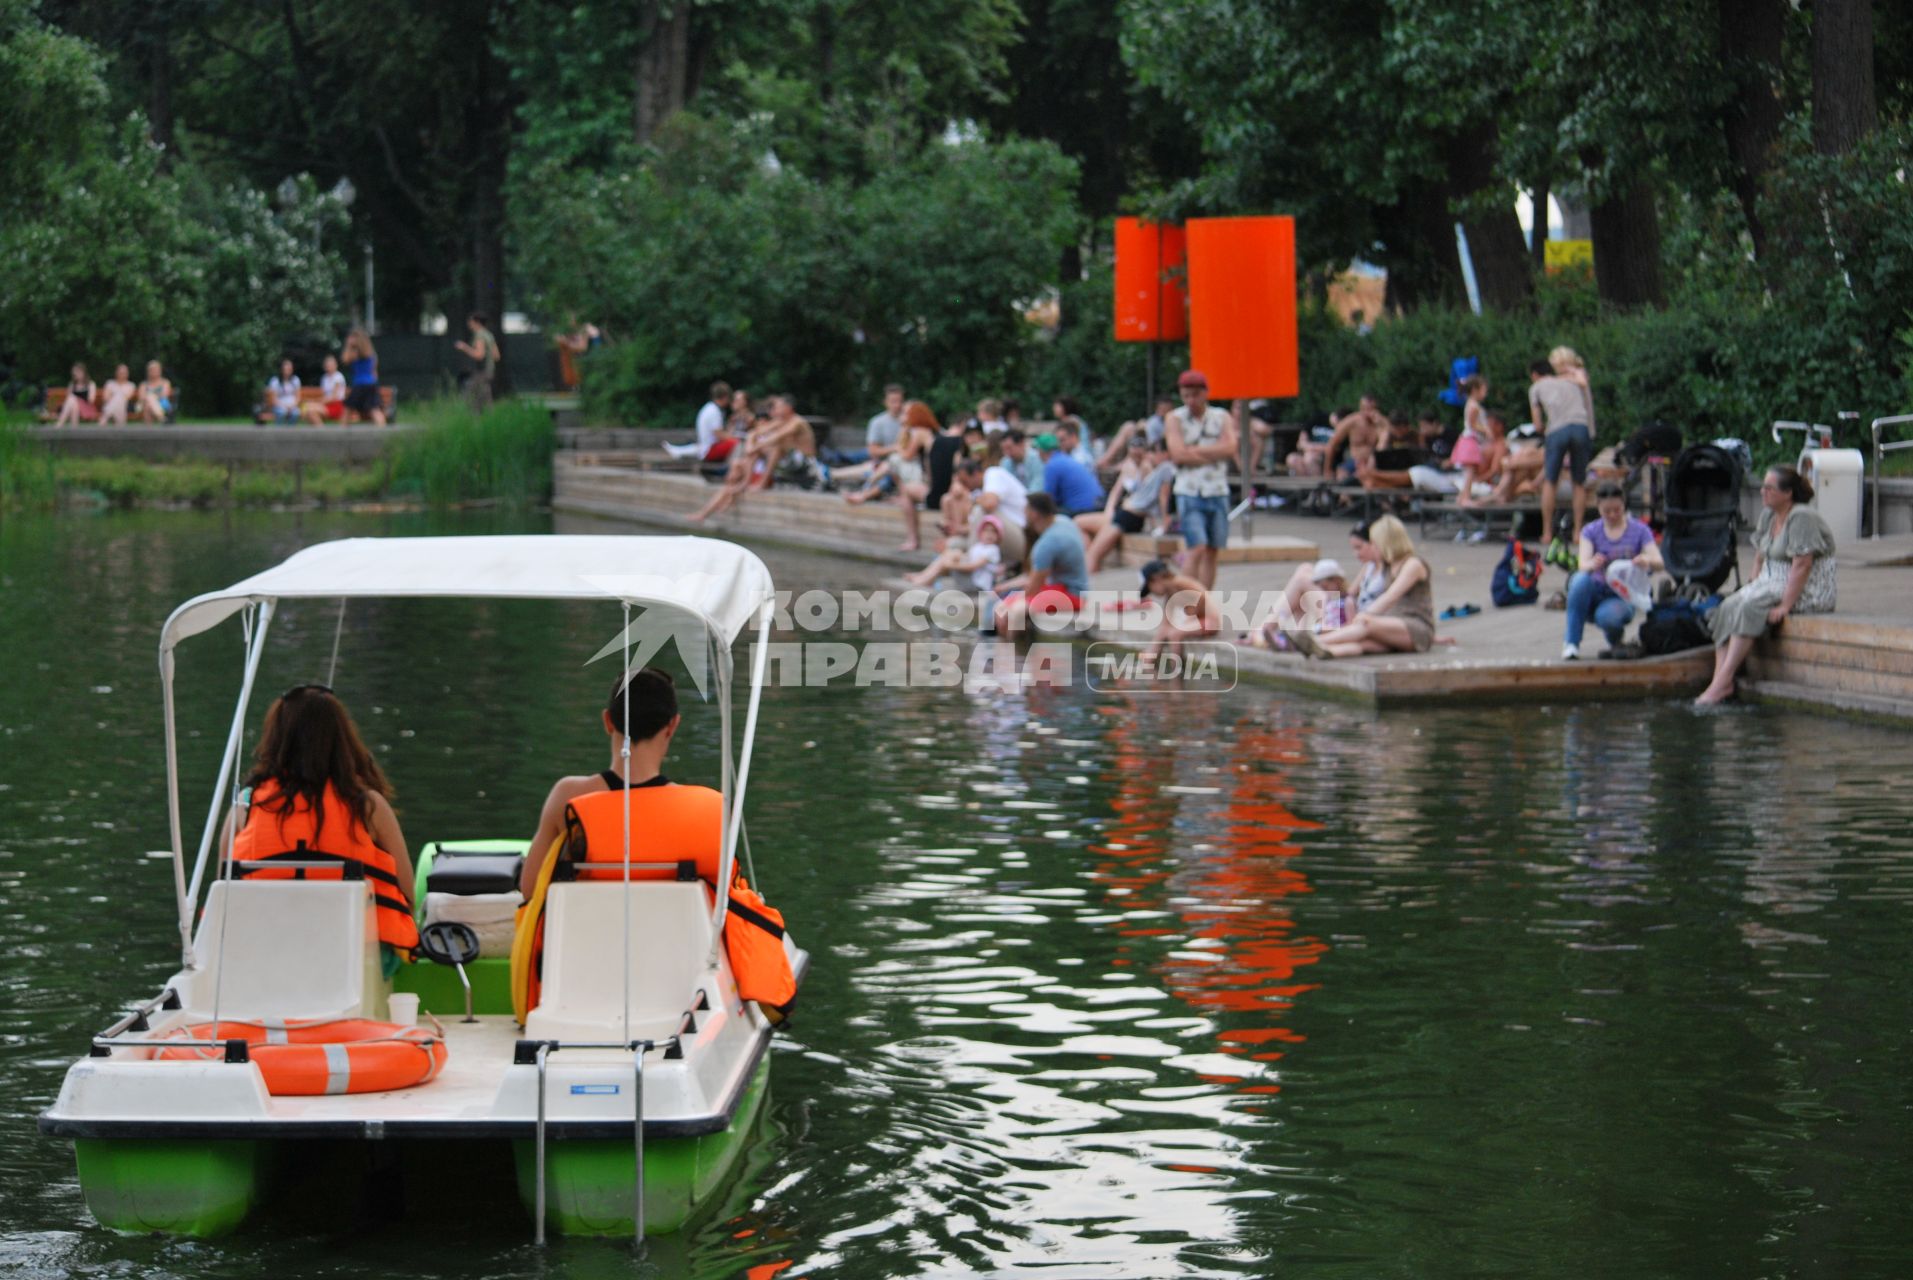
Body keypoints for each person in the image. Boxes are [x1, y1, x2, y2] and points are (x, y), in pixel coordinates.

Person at [220, 684, 417, 962]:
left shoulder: (245, 806)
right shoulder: (369, 806)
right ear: (342, 740)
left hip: (264, 956)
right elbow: (407, 893)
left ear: (276, 739)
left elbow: (224, 891)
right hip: (353, 958)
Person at [518, 668, 721, 901]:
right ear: (672, 726)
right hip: (673, 935)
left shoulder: (568, 796)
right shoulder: (701, 810)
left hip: (587, 933)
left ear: (608, 721)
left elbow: (530, 889)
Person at [1696, 465, 1838, 705]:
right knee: (1729, 606)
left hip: (1808, 590)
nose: (1762, 492)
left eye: (1769, 488)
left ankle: (1723, 680)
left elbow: (1802, 565)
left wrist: (1784, 606)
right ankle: (1720, 680)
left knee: (1749, 607)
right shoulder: (1769, 515)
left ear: (1788, 493)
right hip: (1770, 582)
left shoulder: (1802, 516)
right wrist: (1749, 586)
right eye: (1763, 487)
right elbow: (1761, 557)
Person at [1289, 515, 1439, 658]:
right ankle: (1327, 651)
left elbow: (1390, 597)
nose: (1372, 547)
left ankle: (1315, 642)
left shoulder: (1413, 564)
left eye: (1374, 543)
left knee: (1366, 623)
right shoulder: (1387, 565)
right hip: (1392, 624)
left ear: (1387, 542)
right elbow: (1350, 591)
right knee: (1364, 644)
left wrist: (1365, 615)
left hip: (1415, 627)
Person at [1562, 482, 1663, 659]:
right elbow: (1582, 565)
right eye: (1606, 511)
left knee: (1609, 617)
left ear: (1624, 505)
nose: (1612, 515)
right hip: (1595, 588)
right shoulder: (1590, 530)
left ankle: (1615, 640)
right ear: (1599, 508)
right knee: (1579, 581)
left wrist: (1645, 560)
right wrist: (1593, 563)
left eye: (1617, 510)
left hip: (1621, 594)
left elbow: (1659, 562)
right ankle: (1571, 643)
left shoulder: (1639, 530)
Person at [1164, 369, 1238, 588]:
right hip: (1189, 490)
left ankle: (1204, 603)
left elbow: (1231, 448)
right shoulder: (1174, 418)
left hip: (1217, 489)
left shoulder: (1221, 416)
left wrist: (1193, 451)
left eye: (1195, 395)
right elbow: (1177, 454)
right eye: (1186, 395)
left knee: (1212, 550)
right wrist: (1214, 450)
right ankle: (1187, 599)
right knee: (1196, 547)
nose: (1191, 401)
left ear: (1205, 393)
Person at [994, 493, 1088, 636]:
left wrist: (1013, 598)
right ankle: (1011, 648)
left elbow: (1032, 588)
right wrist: (1007, 588)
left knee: (1016, 610)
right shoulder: (1063, 521)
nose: (1023, 513)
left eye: (1026, 509)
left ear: (1034, 514)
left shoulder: (1046, 544)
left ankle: (1011, 652)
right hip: (1058, 588)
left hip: (1072, 595)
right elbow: (1034, 578)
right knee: (1001, 607)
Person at [1529, 355, 1594, 552]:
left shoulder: (1536, 387)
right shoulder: (1571, 382)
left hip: (1557, 430)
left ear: (1534, 375)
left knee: (1550, 480)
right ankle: (1577, 532)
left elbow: (1537, 423)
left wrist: (1543, 430)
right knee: (1579, 481)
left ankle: (1547, 532)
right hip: (1581, 428)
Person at [1080, 437, 1174, 573]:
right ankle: (1091, 578)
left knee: (1094, 554)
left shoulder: (1162, 467)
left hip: (1129, 516)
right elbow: (1120, 492)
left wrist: (1164, 525)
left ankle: (1089, 587)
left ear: (1165, 453)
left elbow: (1162, 497)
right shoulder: (1137, 466)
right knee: (1085, 536)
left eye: (1155, 452)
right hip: (1124, 513)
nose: (1152, 455)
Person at [1251, 557, 1356, 649]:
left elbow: (1351, 626)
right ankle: (1286, 635)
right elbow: (1325, 618)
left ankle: (1276, 636)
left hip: (1336, 631)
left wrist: (1327, 629)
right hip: (1326, 627)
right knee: (1305, 568)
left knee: (1302, 579)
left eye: (1325, 587)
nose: (1323, 591)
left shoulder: (1347, 602)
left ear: (1337, 581)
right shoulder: (1328, 599)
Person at [1139, 559, 1221, 657]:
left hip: (1210, 621)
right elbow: (1165, 624)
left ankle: (1177, 670)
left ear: (1156, 579)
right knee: (1165, 631)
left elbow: (1200, 597)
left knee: (1175, 634)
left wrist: (1189, 619)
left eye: (1150, 589)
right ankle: (1151, 658)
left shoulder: (1179, 582)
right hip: (1197, 622)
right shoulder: (1170, 593)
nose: (1152, 593)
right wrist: (1152, 650)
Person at [905, 512, 1004, 591]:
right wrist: (949, 556)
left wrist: (950, 565)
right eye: (986, 530)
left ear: (998, 536)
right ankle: (923, 576)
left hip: (977, 586)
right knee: (953, 553)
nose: (989, 534)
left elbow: (973, 567)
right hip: (970, 580)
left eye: (993, 531)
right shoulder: (978, 547)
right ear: (980, 533)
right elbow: (967, 558)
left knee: (952, 555)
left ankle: (925, 579)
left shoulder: (993, 550)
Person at [835, 384, 906, 481]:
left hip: (892, 463)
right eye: (893, 401)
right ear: (885, 402)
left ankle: (837, 461)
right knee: (865, 458)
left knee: (863, 459)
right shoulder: (877, 422)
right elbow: (873, 451)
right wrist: (895, 448)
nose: (897, 405)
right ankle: (838, 459)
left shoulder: (909, 421)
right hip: (879, 461)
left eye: (900, 401)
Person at [1036, 431, 1105, 516]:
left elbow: (1048, 499)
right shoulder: (1065, 458)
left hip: (1084, 510)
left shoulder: (1052, 465)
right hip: (1099, 504)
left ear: (1041, 451)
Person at [454, 312, 500, 412]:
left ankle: (469, 418)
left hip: (481, 371)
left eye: (471, 321)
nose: (469, 324)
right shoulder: (489, 335)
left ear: (477, 322)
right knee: (483, 395)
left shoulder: (479, 335)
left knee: (468, 395)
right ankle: (489, 418)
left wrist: (464, 347)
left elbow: (479, 355)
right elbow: (496, 356)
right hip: (489, 371)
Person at [340, 332, 385, 425]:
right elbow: (374, 372)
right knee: (374, 409)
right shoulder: (372, 354)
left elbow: (344, 359)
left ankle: (341, 432)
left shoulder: (355, 353)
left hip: (359, 384)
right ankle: (383, 431)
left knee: (348, 408)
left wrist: (348, 345)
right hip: (371, 384)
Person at [302, 354, 348, 425]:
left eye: (330, 365)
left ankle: (323, 433)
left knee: (308, 408)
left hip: (337, 405)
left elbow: (334, 397)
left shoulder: (338, 377)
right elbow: (324, 395)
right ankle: (322, 432)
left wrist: (317, 402)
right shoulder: (324, 378)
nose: (328, 367)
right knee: (310, 412)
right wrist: (318, 402)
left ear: (335, 365)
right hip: (326, 404)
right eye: (327, 365)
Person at [265, 358, 302, 425]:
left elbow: (298, 398)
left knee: (295, 413)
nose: (288, 370)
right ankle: (278, 432)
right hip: (279, 406)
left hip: (292, 406)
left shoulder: (295, 380)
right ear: (282, 369)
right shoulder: (275, 381)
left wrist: (292, 406)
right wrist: (284, 407)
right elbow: (274, 399)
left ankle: (291, 432)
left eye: (290, 369)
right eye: (286, 368)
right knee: (282, 412)